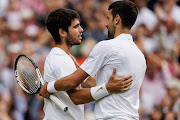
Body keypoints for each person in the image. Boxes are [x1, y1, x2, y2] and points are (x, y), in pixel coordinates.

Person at [40, 0, 147, 119]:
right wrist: (107, 87)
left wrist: (48, 87)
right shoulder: (140, 55)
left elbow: (74, 86)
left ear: (117, 19)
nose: (106, 24)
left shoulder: (106, 46)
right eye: (76, 26)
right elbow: (99, 86)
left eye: (108, 18)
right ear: (62, 32)